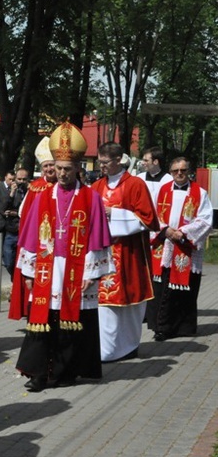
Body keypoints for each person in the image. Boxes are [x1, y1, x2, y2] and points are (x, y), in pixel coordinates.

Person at [15, 122, 114, 392]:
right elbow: (32, 236)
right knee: (43, 318)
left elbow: (96, 236)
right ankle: (38, 373)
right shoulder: (42, 196)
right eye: (57, 168)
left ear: (78, 169)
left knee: (72, 320)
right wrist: (28, 270)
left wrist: (92, 273)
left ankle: (66, 371)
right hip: (48, 268)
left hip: (76, 268)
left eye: (67, 169)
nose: (61, 174)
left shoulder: (91, 198)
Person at [91, 142, 159, 362]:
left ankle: (129, 346)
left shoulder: (135, 184)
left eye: (105, 162)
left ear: (119, 159)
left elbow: (147, 219)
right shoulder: (97, 186)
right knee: (105, 303)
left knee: (131, 302)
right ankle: (106, 349)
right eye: (99, 162)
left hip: (129, 253)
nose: (101, 167)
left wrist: (114, 213)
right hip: (103, 253)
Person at [149, 158, 213, 341]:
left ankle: (184, 327)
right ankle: (161, 327)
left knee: (184, 290)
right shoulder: (162, 191)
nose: (179, 173)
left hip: (186, 247)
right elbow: (152, 214)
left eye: (183, 170)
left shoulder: (200, 193)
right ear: (170, 172)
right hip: (164, 244)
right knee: (162, 288)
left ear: (189, 172)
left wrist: (183, 233)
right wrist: (166, 230)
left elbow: (206, 220)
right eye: (176, 170)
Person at [9, 137, 57, 319]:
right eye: (46, 166)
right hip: (39, 243)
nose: (49, 169)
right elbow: (24, 214)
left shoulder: (64, 185)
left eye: (52, 165)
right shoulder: (35, 187)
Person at [0, 169, 27, 278]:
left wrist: (15, 213)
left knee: (21, 261)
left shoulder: (29, 190)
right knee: (8, 261)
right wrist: (11, 193)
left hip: (23, 230)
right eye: (19, 179)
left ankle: (16, 281)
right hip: (11, 229)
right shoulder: (12, 190)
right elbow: (4, 208)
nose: (21, 181)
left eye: (24, 179)